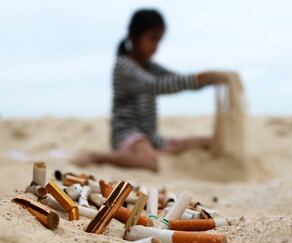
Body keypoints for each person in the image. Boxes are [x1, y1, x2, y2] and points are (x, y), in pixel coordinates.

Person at [72, 9, 228, 171]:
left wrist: (208, 81)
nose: (156, 47)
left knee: (207, 143)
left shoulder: (149, 66)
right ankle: (97, 156)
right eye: (153, 39)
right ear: (134, 36)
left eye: (159, 41)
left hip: (151, 138)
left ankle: (158, 152)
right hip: (127, 135)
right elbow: (155, 85)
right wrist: (198, 79)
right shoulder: (123, 66)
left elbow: (173, 78)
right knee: (148, 161)